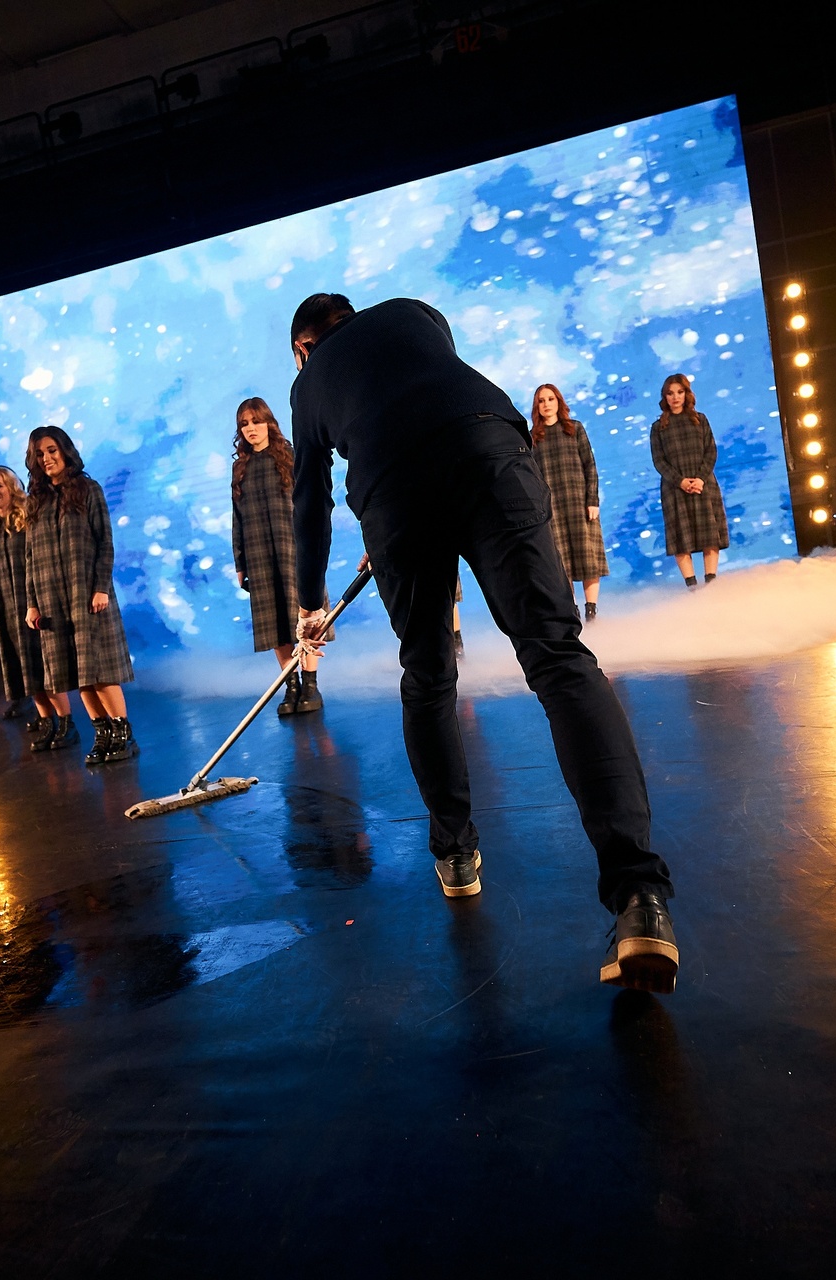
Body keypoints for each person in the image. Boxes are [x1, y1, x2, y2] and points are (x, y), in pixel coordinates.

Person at [287, 292, 679, 992]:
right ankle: (639, 897)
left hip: (393, 488)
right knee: (558, 656)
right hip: (490, 450)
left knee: (428, 675)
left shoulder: (309, 378)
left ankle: (456, 853)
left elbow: (310, 502)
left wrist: (312, 602)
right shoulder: (413, 312)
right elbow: (429, 401)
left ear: (303, 348)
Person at [22, 426, 138, 764]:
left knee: (99, 670)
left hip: (86, 593)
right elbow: (30, 557)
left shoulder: (88, 489)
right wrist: (32, 603)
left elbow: (105, 541)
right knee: (77, 674)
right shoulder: (36, 501)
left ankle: (123, 733)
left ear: (65, 451)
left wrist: (101, 586)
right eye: (39, 454)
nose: (47, 458)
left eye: (52, 450)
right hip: (52, 600)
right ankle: (102, 733)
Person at [231, 397, 323, 716]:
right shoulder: (240, 468)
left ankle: (310, 685)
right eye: (244, 424)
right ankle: (291, 684)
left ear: (269, 423)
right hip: (258, 553)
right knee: (275, 622)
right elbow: (237, 518)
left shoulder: (288, 456)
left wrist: (313, 545)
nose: (251, 429)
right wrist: (240, 563)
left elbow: (312, 501)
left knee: (303, 615)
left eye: (256, 421)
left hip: (293, 549)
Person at [0, 466, 60, 730]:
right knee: (26, 670)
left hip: (32, 605)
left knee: (44, 667)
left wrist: (39, 602)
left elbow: (41, 561)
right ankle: (46, 720)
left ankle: (64, 722)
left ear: (11, 487)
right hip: (6, 610)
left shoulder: (28, 518)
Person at [529, 383, 609, 620]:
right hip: (552, 509)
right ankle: (571, 610)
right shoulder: (532, 437)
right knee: (560, 562)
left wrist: (592, 500)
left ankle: (591, 610)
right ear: (536, 406)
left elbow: (589, 465)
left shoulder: (574, 429)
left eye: (550, 399)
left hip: (579, 504)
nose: (546, 404)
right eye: (541, 401)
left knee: (588, 557)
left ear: (559, 402)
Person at [650, 374, 729, 588]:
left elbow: (710, 451)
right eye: (670, 393)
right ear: (664, 397)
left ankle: (711, 584)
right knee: (681, 539)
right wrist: (680, 481)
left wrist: (700, 479)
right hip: (674, 489)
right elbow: (659, 461)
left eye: (680, 392)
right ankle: (692, 588)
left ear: (687, 394)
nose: (675, 397)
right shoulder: (658, 427)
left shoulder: (700, 420)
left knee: (710, 535)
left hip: (704, 485)